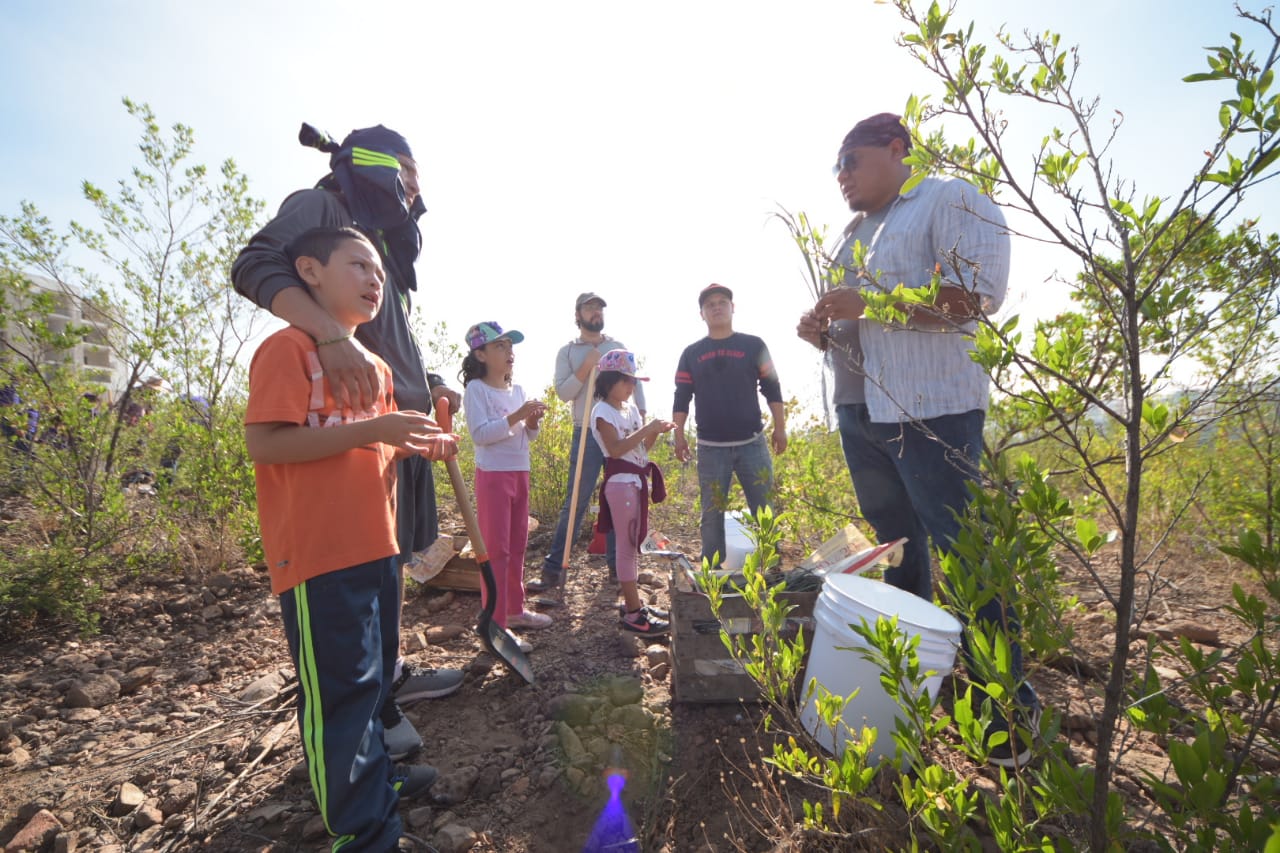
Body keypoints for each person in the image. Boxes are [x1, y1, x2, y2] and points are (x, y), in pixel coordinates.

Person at [796, 112, 1038, 768]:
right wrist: (821, 330)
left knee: (967, 558)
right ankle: (914, 680)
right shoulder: (850, 234)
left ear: (896, 148)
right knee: (900, 552)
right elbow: (851, 328)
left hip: (930, 412)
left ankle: (1005, 712)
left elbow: (976, 298)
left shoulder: (949, 198)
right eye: (835, 168)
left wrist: (870, 305)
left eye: (850, 159)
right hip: (860, 413)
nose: (841, 176)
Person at [232, 123, 464, 764]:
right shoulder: (324, 209)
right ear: (375, 165)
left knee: (388, 565)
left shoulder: (378, 248)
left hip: (396, 429)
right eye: (408, 173)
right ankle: (363, 722)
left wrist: (434, 383)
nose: (416, 190)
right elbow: (254, 264)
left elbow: (392, 337)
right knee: (355, 579)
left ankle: (384, 686)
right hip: (349, 434)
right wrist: (331, 339)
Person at [245, 227, 457, 851]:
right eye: (358, 265)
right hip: (319, 554)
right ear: (309, 270)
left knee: (372, 684)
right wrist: (381, 429)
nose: (373, 279)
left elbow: (370, 443)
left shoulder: (379, 367)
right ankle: (361, 833)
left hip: (378, 546)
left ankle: (375, 783)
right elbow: (267, 442)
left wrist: (410, 439)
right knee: (340, 694)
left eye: (379, 274)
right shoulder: (288, 350)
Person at [527, 292, 647, 593]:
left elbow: (635, 385)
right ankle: (554, 569)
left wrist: (641, 419)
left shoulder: (617, 347)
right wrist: (586, 367)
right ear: (578, 314)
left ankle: (619, 570)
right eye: (589, 308)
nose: (595, 313)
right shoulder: (567, 352)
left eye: (599, 308)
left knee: (620, 497)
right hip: (586, 431)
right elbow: (565, 393)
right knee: (576, 500)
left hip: (620, 427)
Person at [672, 283, 787, 569]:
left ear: (733, 307)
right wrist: (678, 435)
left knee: (765, 509)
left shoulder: (754, 345)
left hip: (753, 443)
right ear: (702, 313)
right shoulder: (691, 353)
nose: (717, 307)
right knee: (711, 514)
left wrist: (780, 427)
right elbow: (682, 396)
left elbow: (772, 387)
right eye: (710, 304)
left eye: (722, 302)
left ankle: (770, 571)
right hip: (711, 447)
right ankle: (713, 574)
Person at [459, 321, 550, 651]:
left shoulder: (518, 391)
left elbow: (528, 436)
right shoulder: (476, 391)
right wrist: (516, 417)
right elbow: (480, 435)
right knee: (495, 550)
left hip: (519, 471)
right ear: (480, 354)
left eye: (510, 346)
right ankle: (493, 628)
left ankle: (514, 611)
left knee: (518, 544)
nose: (509, 352)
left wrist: (533, 422)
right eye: (500, 346)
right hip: (493, 475)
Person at [589, 350, 675, 634]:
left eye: (633, 381)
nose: (631, 386)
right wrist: (646, 429)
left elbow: (640, 450)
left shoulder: (631, 410)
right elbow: (615, 450)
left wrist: (654, 431)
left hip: (636, 482)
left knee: (633, 547)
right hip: (620, 484)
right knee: (627, 548)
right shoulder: (602, 412)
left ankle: (633, 603)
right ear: (610, 380)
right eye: (626, 380)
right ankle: (634, 613)